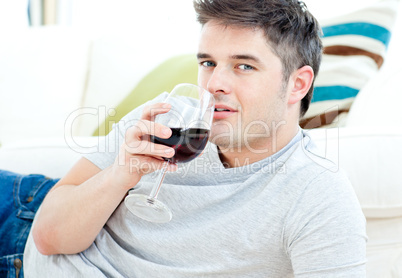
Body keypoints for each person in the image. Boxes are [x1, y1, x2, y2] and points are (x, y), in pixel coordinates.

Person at [21, 0, 367, 277]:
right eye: (207, 63)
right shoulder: (164, 119)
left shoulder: (318, 195)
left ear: (298, 84)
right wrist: (120, 174)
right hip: (21, 223)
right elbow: (47, 237)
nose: (215, 83)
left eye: (244, 66)